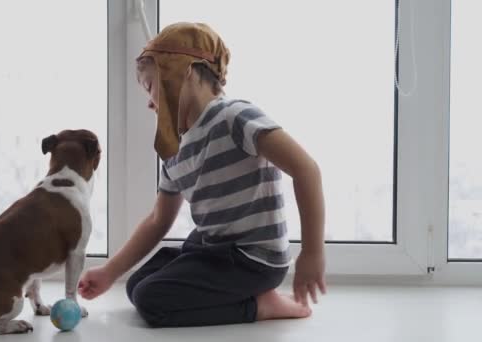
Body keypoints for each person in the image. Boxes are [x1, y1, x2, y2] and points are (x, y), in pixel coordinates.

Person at [78, 22, 326, 327]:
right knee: (136, 285)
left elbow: (306, 170)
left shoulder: (235, 116)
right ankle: (234, 292)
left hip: (253, 260)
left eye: (150, 86)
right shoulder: (174, 148)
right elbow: (158, 220)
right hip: (213, 250)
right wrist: (110, 272)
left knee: (151, 301)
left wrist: (312, 253)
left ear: (187, 72)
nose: (149, 101)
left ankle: (259, 305)